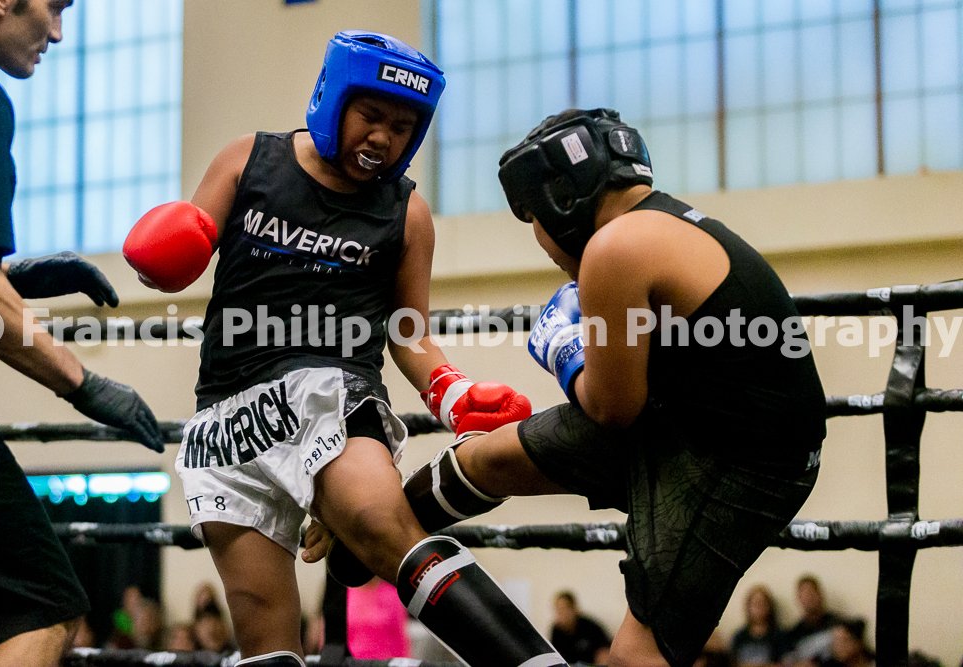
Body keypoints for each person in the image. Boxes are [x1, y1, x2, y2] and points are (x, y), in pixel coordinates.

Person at [306, 107, 828, 666]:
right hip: (682, 421)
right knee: (486, 457)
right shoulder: (665, 225)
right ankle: (365, 528)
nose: (544, 244)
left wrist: (565, 348)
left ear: (560, 199)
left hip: (737, 467)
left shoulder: (615, 249)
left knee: (634, 659)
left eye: (534, 220)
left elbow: (611, 408)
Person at [123, 30, 564, 667]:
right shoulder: (249, 160)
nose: (383, 138)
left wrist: (453, 392)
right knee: (265, 634)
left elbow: (408, 332)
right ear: (334, 101)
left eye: (402, 127)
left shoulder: (406, 213)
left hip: (331, 392)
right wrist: (159, 261)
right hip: (228, 413)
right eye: (372, 116)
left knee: (384, 529)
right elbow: (177, 256)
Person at [0, 1, 165, 664]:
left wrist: (11, 274)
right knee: (41, 609)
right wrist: (83, 383)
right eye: (55, 6)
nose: (56, 32)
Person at [783, 575, 840, 662]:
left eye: (811, 592)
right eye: (804, 594)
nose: (809, 598)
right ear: (799, 599)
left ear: (820, 595)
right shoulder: (793, 634)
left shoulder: (838, 624)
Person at [549, 590, 611, 665]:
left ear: (574, 608)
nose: (561, 614)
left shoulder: (589, 626)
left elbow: (606, 650)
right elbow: (553, 658)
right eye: (558, 610)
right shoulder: (556, 631)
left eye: (564, 608)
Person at [731, 585, 787, 667]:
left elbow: (784, 663)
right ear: (748, 607)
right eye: (755, 604)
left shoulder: (779, 635)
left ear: (769, 606)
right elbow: (733, 663)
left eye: (762, 603)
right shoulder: (739, 637)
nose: (759, 608)